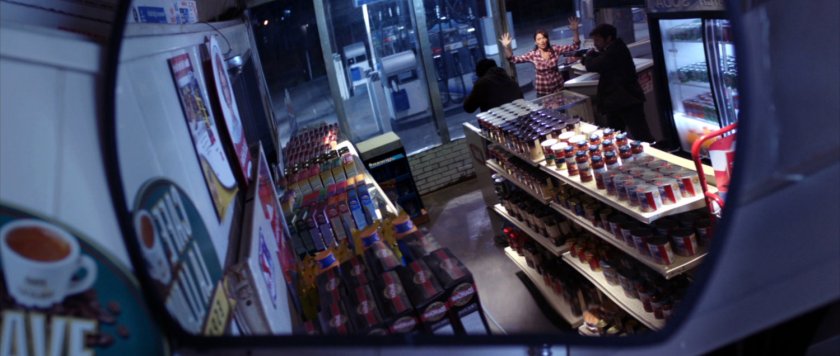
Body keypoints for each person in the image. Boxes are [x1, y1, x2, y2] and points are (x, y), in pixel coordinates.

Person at [581, 23, 655, 142]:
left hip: (627, 101)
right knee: (617, 135)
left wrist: (589, 55)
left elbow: (593, 65)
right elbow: (600, 58)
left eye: (598, 40)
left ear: (609, 38)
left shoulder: (615, 51)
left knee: (641, 135)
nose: (595, 43)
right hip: (619, 102)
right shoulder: (615, 47)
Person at [499, 17, 581, 97]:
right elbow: (513, 59)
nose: (542, 41)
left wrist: (575, 31)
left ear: (547, 39)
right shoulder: (533, 54)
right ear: (535, 42)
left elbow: (575, 46)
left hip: (558, 88)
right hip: (543, 92)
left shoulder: (555, 49)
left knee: (561, 110)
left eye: (544, 38)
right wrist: (506, 47)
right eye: (538, 39)